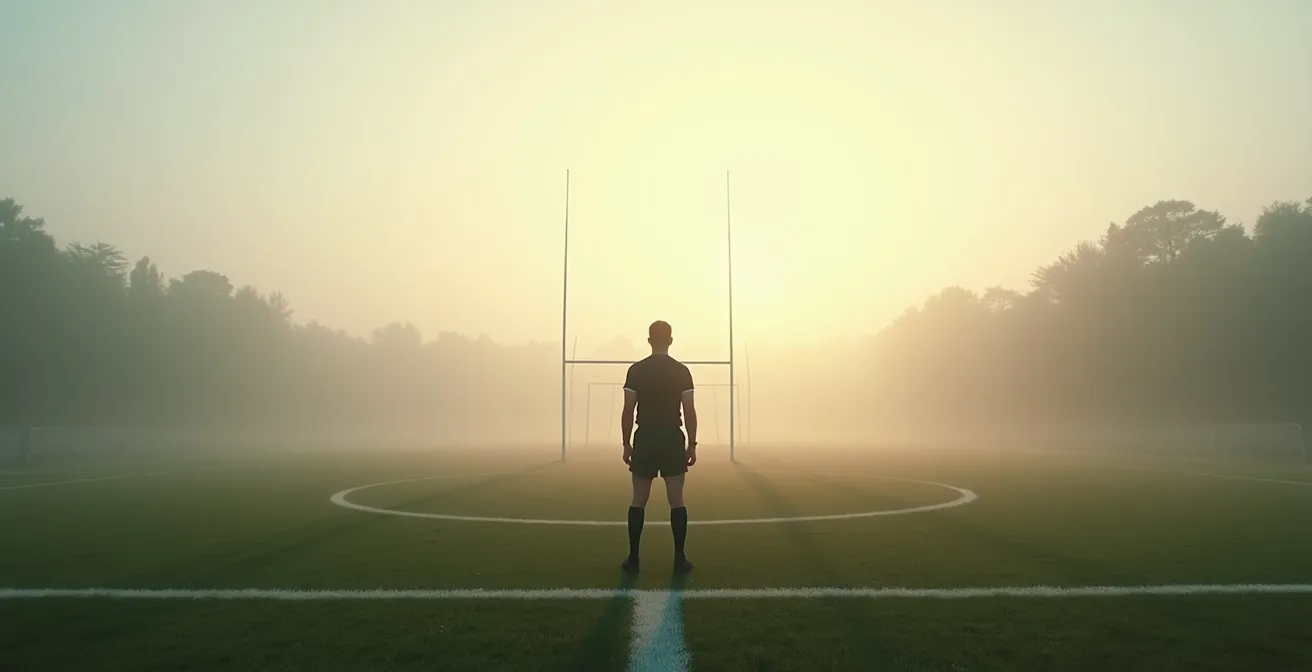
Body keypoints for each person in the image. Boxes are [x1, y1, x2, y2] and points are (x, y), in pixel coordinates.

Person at [620, 320, 697, 575]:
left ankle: (633, 559)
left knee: (639, 499)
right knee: (676, 500)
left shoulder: (637, 370)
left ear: (649, 340)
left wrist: (626, 443)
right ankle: (679, 559)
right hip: (672, 438)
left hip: (646, 438)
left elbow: (628, 411)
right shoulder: (681, 371)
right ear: (671, 341)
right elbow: (689, 411)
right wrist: (692, 444)